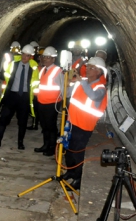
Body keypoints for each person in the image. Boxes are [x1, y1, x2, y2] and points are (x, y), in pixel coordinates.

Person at [61, 57, 108, 190]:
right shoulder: (83, 82)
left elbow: (93, 96)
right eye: (88, 67)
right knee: (69, 150)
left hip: (84, 126)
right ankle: (70, 171)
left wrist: (81, 82)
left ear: (99, 71)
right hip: (72, 122)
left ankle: (78, 179)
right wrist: (69, 83)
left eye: (92, 67)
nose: (87, 69)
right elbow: (68, 94)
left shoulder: (100, 88)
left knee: (77, 152)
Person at [0, 44, 40, 150]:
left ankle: (20, 142)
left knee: (22, 121)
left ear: (31, 56)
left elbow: (35, 82)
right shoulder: (13, 64)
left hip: (24, 97)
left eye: (27, 55)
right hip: (12, 96)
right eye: (23, 54)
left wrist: (33, 97)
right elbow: (5, 76)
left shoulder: (34, 68)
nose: (24, 57)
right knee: (3, 118)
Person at [33, 46, 64, 156]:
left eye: (48, 57)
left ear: (53, 59)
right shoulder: (42, 70)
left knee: (51, 126)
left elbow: (63, 88)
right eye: (44, 57)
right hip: (42, 102)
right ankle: (45, 145)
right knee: (44, 126)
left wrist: (63, 102)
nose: (45, 59)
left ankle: (52, 148)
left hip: (52, 103)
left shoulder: (57, 71)